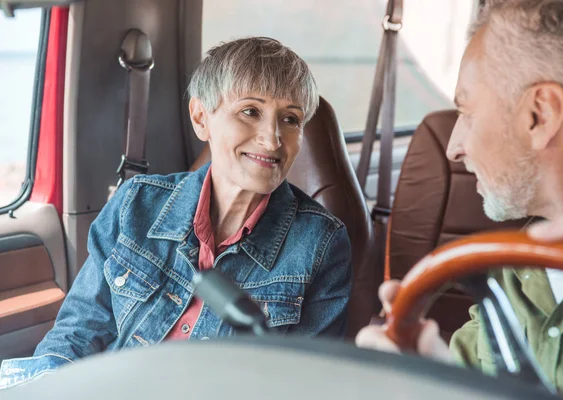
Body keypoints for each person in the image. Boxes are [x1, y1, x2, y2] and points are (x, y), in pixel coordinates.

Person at [0, 37, 352, 389]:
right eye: (251, 111)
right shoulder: (135, 204)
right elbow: (77, 335)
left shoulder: (321, 244)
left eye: (290, 119)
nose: (272, 139)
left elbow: (304, 386)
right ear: (201, 118)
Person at [356, 0, 563, 397]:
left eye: (466, 112)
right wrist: (433, 369)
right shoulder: (510, 275)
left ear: (538, 114)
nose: (454, 147)